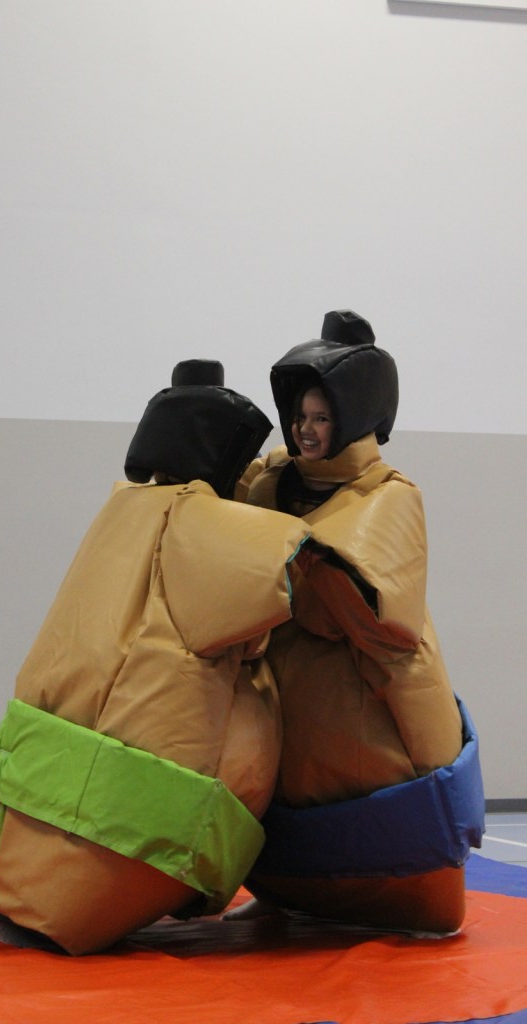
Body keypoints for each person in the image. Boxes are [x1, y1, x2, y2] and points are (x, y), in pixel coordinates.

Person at [0, 360, 313, 955]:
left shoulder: (121, 508)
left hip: (48, 769)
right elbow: (277, 581)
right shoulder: (203, 521)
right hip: (135, 788)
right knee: (251, 737)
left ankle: (24, 897)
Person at [233, 310, 484, 934]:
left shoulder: (388, 494)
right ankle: (290, 884)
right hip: (288, 700)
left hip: (362, 702)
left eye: (322, 417)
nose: (306, 428)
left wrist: (304, 559)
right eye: (301, 416)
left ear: (354, 414)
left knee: (363, 778)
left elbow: (380, 616)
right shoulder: (274, 478)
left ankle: (393, 892)